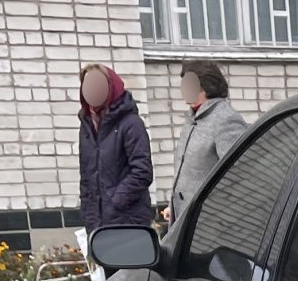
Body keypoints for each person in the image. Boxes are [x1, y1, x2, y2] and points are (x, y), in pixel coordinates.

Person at [163, 60, 247, 231]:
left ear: (205, 87)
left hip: (210, 227)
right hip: (185, 220)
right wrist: (174, 206)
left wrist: (214, 214)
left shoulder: (225, 119)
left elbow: (239, 174)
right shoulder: (193, 118)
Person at [78, 64, 154, 232]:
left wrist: (115, 201)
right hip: (97, 222)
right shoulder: (87, 126)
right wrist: (87, 212)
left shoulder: (130, 123)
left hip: (128, 219)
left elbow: (142, 171)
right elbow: (86, 175)